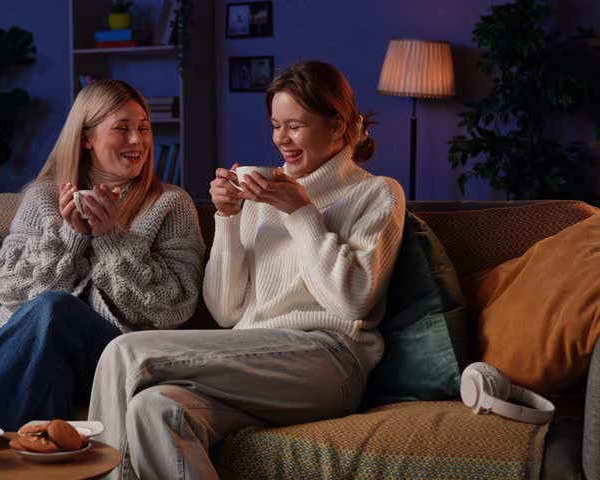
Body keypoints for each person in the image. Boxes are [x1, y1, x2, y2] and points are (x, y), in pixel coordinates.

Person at [87, 61, 406, 479]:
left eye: (296, 125)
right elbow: (227, 313)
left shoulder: (376, 193)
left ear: (338, 125)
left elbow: (352, 301)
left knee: (124, 352)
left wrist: (301, 213)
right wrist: (229, 217)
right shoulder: (261, 195)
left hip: (330, 363)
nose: (281, 139)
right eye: (276, 125)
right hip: (258, 359)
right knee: (157, 409)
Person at [0, 80, 206, 432]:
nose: (138, 141)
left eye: (144, 128)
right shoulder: (42, 199)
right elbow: (10, 290)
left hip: (113, 358)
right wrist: (70, 238)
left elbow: (174, 307)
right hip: (44, 360)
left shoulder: (170, 204)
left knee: (56, 308)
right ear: (87, 137)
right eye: (122, 129)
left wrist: (112, 240)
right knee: (45, 387)